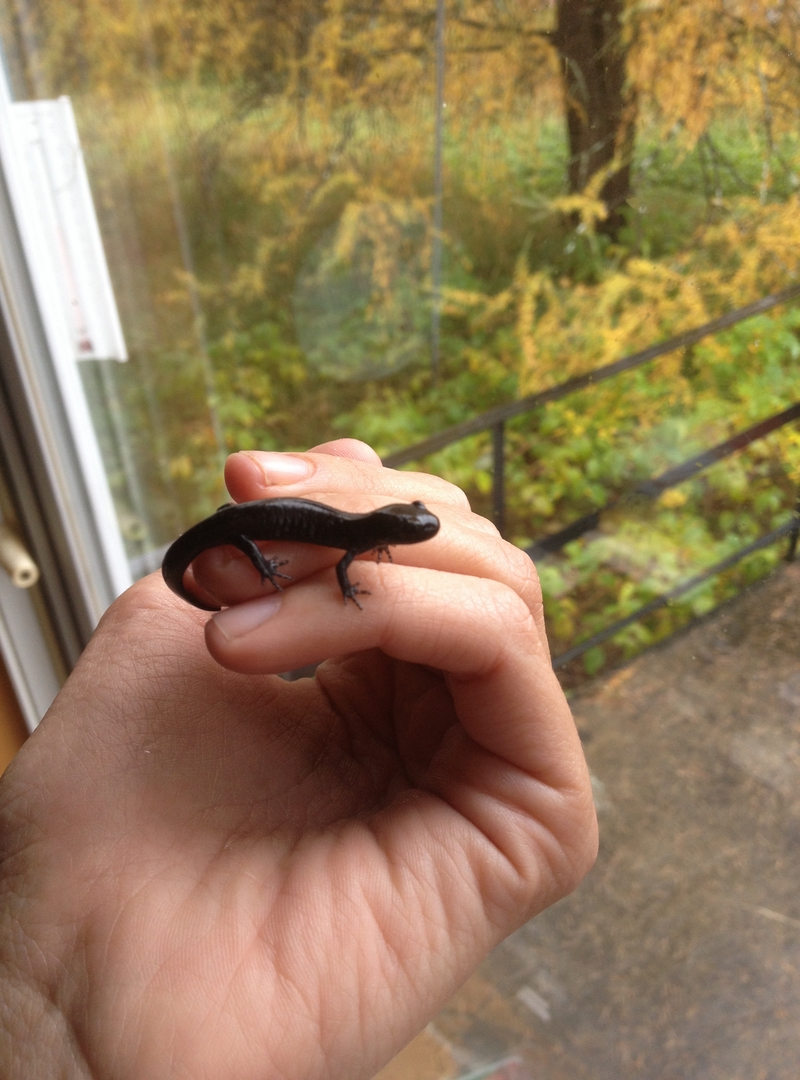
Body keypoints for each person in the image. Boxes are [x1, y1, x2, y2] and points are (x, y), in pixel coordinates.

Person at [0, 439, 598, 1080]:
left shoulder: (361, 538)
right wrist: (41, 1007)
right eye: (410, 528)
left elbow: (347, 565)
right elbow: (340, 573)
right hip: (235, 534)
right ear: (389, 529)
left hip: (239, 533)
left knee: (247, 544)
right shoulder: (353, 542)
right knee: (243, 546)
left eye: (414, 528)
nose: (419, 532)